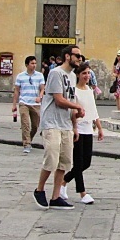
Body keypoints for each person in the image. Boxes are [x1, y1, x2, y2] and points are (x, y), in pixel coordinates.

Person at [33, 45, 86, 211]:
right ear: (68, 57)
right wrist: (77, 106)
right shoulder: (56, 73)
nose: (80, 59)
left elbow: (69, 102)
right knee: (51, 158)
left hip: (65, 125)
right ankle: (39, 190)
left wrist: (74, 125)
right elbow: (58, 99)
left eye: (80, 56)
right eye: (77, 55)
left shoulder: (71, 76)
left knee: (64, 162)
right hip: (51, 123)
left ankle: (56, 197)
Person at [61, 62, 103, 204]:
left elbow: (93, 110)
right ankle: (82, 193)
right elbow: (71, 111)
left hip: (88, 129)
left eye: (88, 73)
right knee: (78, 162)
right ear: (78, 75)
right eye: (84, 73)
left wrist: (99, 127)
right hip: (77, 128)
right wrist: (75, 125)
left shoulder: (90, 90)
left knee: (86, 162)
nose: (87, 76)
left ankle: (64, 181)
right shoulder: (74, 90)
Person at [13, 55, 45, 154]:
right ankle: (26, 144)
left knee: (35, 125)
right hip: (24, 103)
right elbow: (17, 91)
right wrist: (14, 104)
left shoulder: (39, 75)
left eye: (35, 63)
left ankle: (29, 139)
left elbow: (42, 88)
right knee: (25, 124)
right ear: (27, 65)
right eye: (32, 63)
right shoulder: (20, 76)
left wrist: (40, 97)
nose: (34, 65)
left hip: (35, 103)